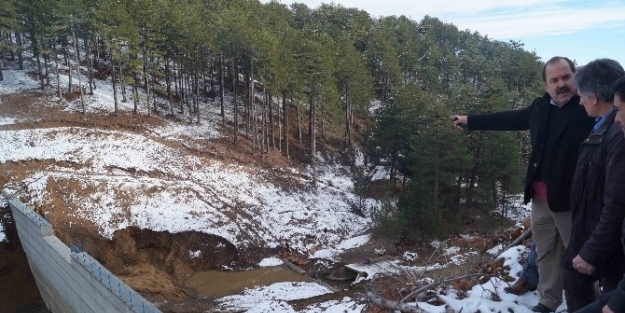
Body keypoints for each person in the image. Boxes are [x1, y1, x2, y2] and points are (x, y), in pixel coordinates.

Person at [452, 56, 595, 312]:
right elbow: (508, 119)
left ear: (576, 78)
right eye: (554, 80)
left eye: (566, 77)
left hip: (571, 202)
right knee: (546, 253)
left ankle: (586, 305)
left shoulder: (587, 109)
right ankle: (548, 301)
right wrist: (470, 120)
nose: (561, 84)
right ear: (546, 84)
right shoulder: (540, 108)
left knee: (579, 259)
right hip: (541, 200)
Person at [573, 73, 625, 313]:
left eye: (620, 110)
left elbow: (615, 202)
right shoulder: (603, 130)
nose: (617, 118)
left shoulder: (615, 137)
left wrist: (617, 303)